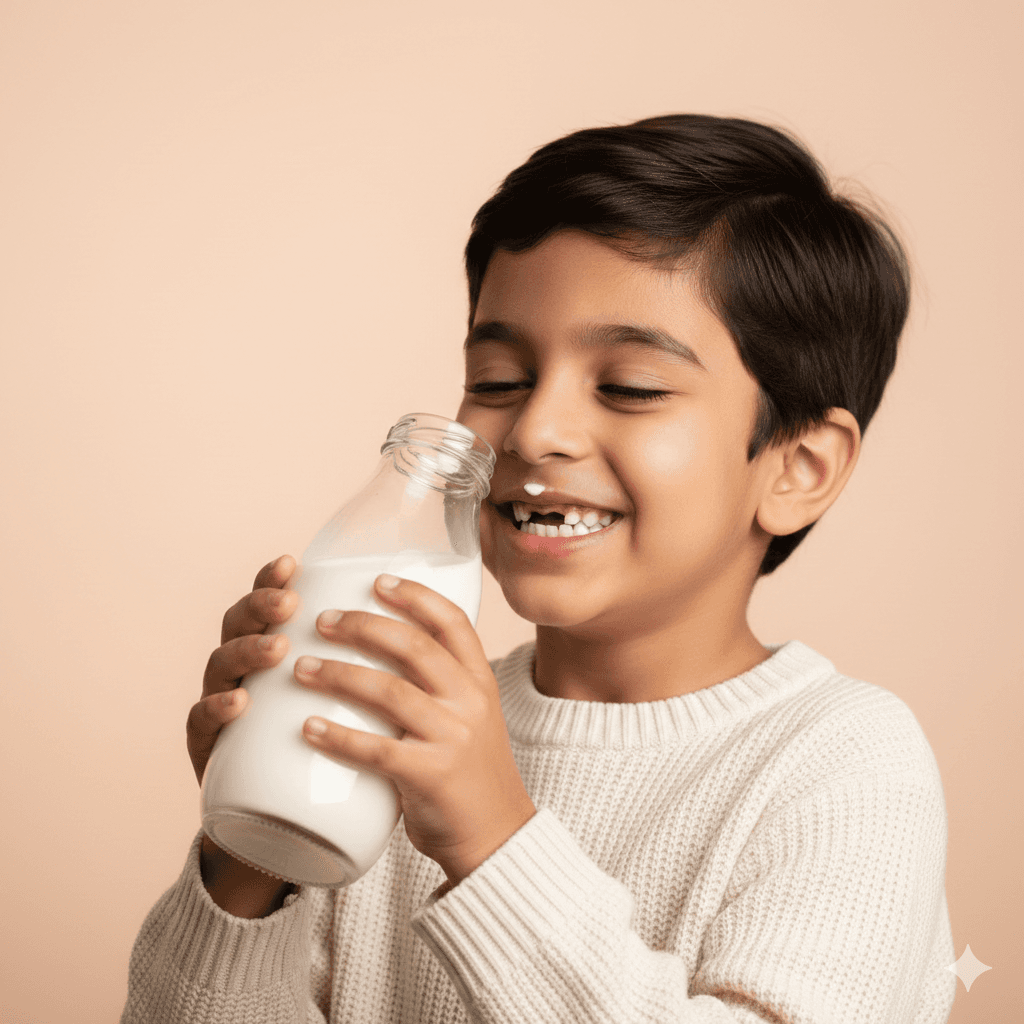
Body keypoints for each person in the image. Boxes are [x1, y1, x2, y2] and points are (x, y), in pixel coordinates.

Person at [121, 114, 955, 1023]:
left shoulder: (843, 762)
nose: (532, 432)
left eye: (629, 386)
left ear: (798, 468)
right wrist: (255, 854)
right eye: (498, 379)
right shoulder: (403, 724)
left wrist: (494, 841)